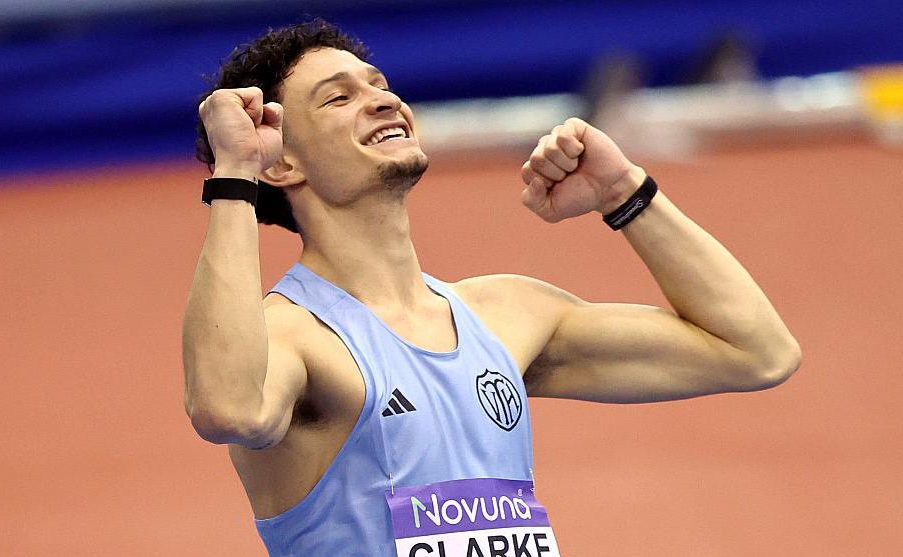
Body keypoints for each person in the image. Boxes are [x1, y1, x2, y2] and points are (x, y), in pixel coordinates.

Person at [182, 19, 801, 557]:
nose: (381, 101)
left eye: (378, 84)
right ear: (282, 161)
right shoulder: (292, 338)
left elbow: (756, 352)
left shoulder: (510, 314)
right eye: (336, 99)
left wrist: (625, 196)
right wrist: (237, 170)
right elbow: (230, 410)